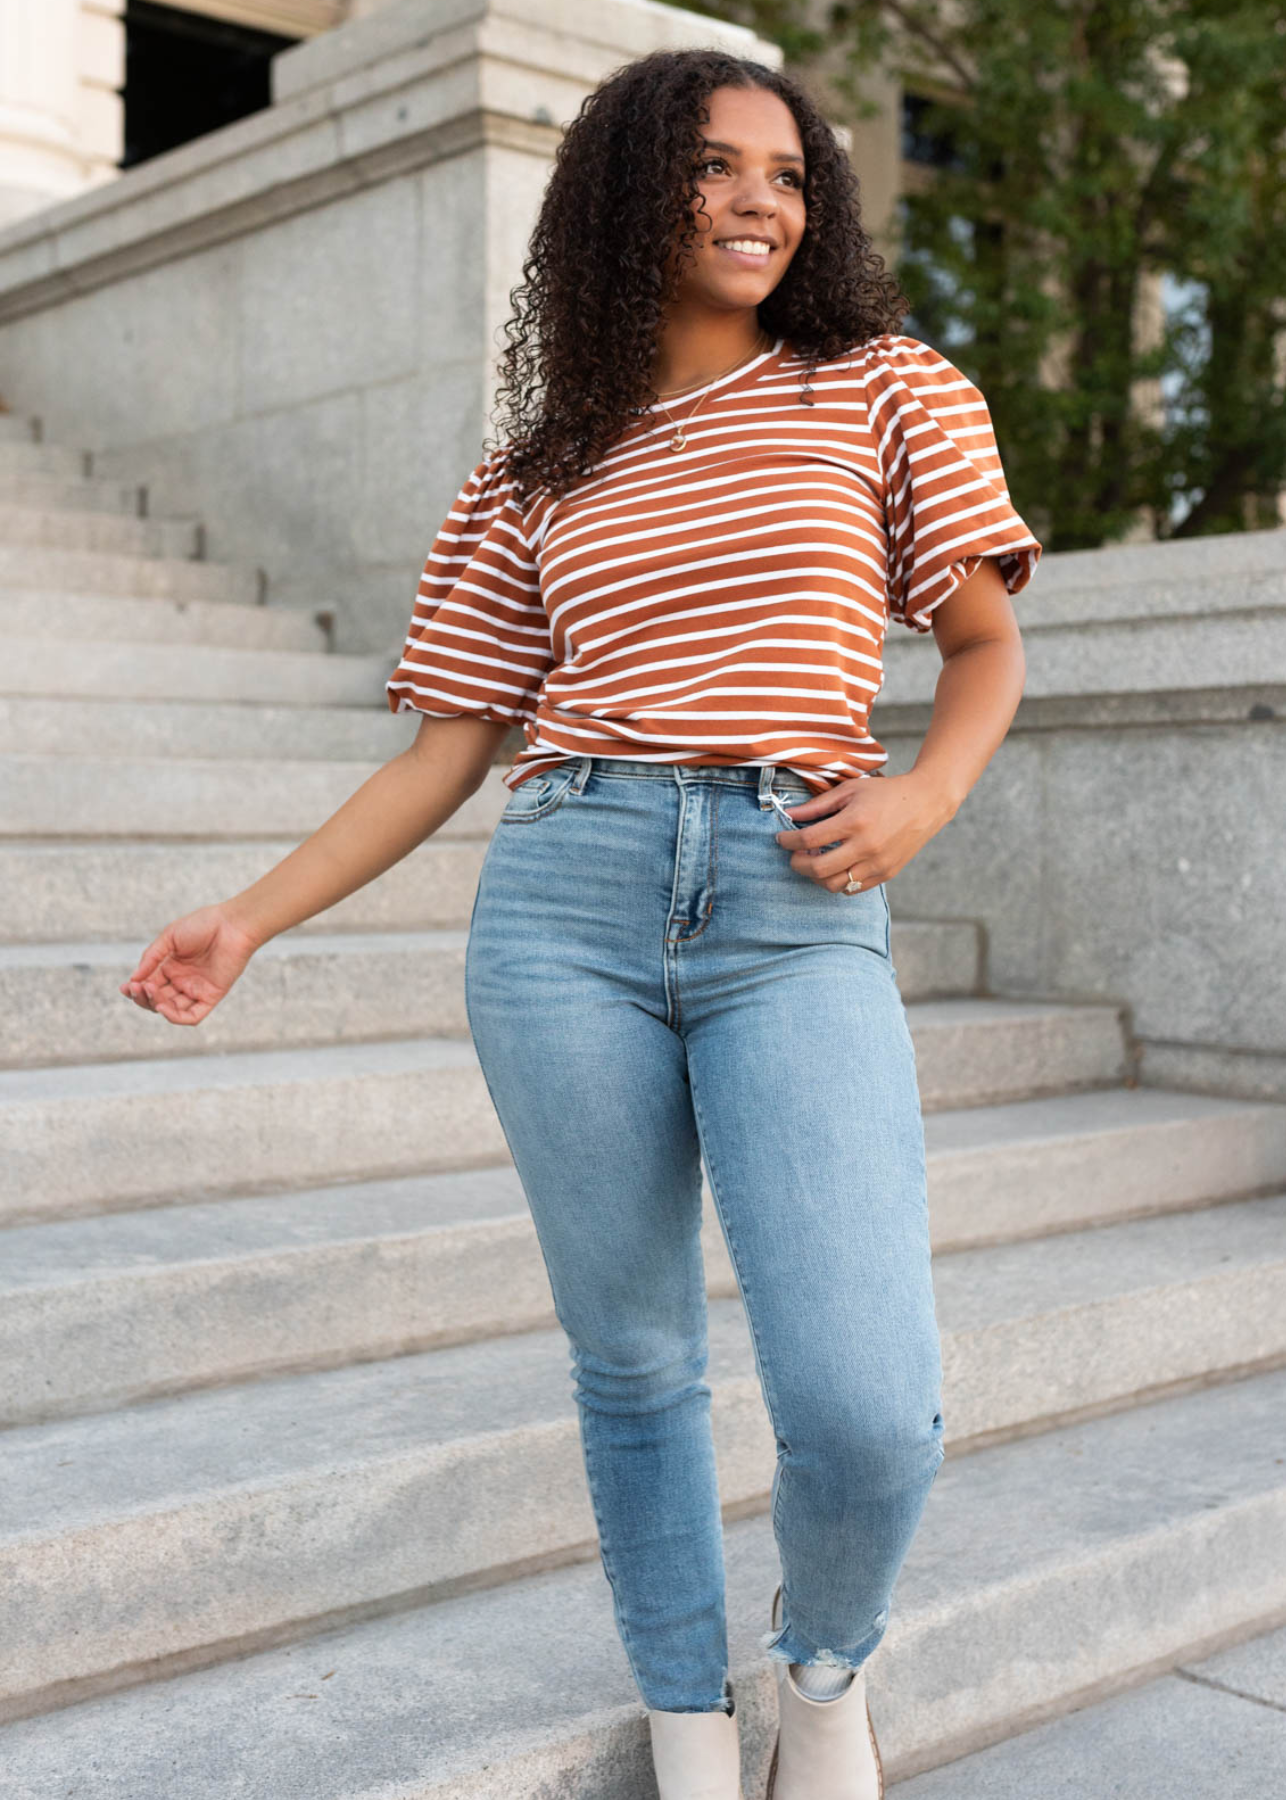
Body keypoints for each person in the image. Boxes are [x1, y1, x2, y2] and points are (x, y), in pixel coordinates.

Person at [121, 47, 1042, 1800]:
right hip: (562, 903)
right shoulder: (530, 470)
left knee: (865, 1401)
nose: (761, 198)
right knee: (632, 1361)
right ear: (625, 194)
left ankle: (824, 1670)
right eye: (711, 167)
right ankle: (688, 1715)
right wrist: (247, 916)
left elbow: (985, 646)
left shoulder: (885, 391)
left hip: (792, 902)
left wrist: (920, 794)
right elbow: (447, 749)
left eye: (787, 171)